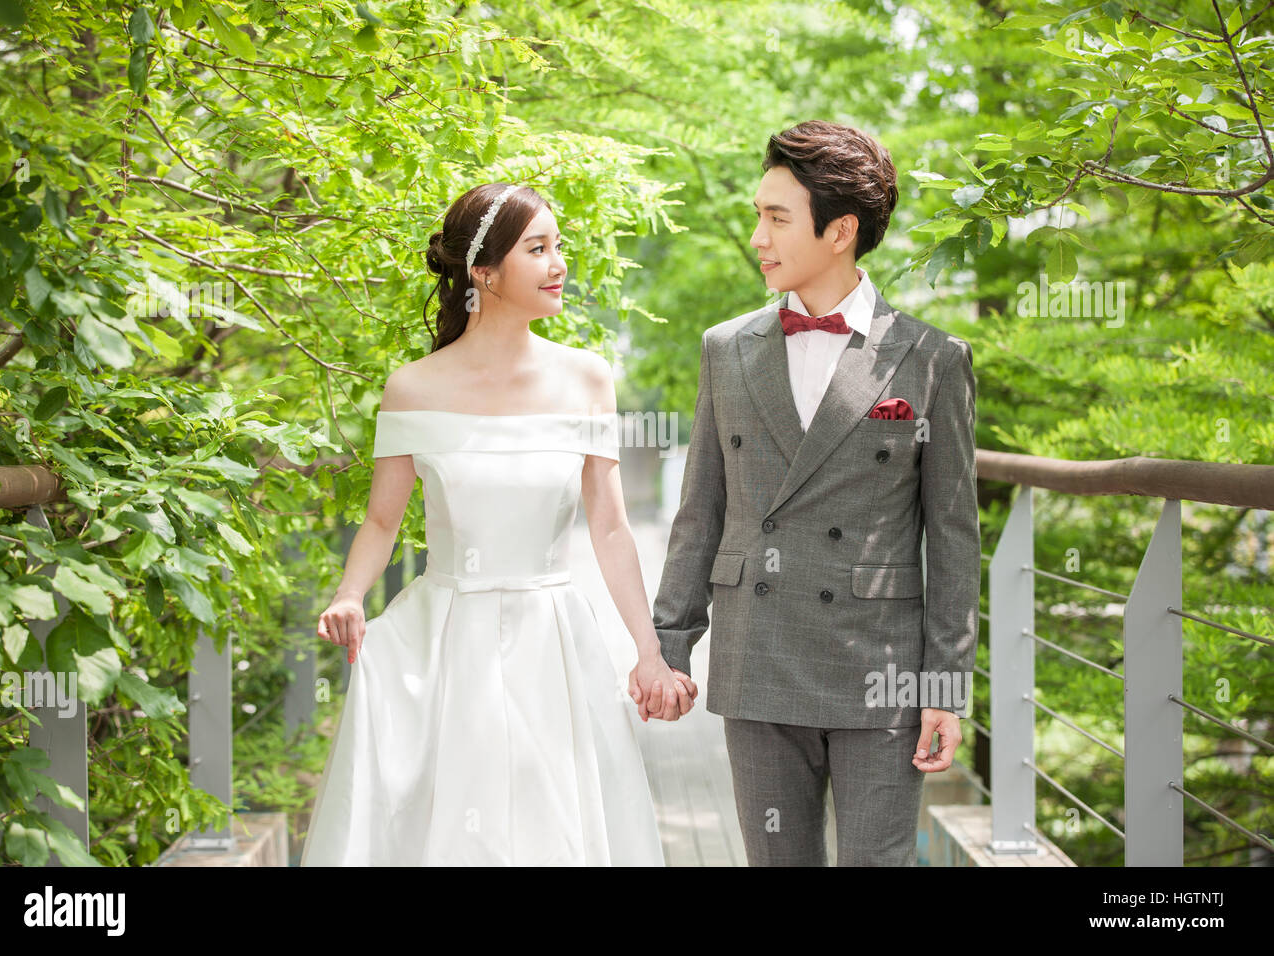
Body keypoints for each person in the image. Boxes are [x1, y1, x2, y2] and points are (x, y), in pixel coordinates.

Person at [299, 182, 695, 866]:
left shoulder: (587, 379)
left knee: (555, 827)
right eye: (537, 249)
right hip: (446, 640)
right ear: (482, 272)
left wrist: (648, 650)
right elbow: (381, 519)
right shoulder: (414, 387)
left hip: (553, 641)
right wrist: (348, 595)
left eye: (558, 246)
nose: (558, 264)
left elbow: (609, 527)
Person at [635, 121, 981, 866]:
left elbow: (953, 539)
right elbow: (702, 511)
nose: (757, 236)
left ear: (840, 231)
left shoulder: (932, 360)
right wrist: (668, 647)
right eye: (758, 214)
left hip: (879, 671)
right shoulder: (727, 348)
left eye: (776, 217)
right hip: (757, 659)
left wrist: (946, 688)